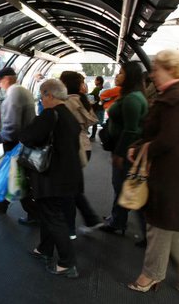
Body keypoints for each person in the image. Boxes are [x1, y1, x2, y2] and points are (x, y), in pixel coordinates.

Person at [127, 49, 179, 293]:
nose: (152, 75)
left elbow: (167, 138)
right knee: (166, 223)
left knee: (159, 221)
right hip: (173, 165)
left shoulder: (177, 97)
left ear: (170, 69)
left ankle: (151, 275)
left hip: (171, 167)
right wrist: (142, 146)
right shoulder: (178, 95)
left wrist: (142, 150)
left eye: (156, 69)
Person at [20, 79, 82, 279]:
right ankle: (44, 249)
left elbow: (29, 136)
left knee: (53, 216)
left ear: (50, 95)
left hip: (51, 176)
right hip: (68, 174)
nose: (41, 100)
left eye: (41, 95)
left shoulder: (49, 115)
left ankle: (67, 263)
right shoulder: (69, 115)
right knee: (49, 214)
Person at [100, 62, 148, 243]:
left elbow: (131, 130)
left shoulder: (132, 99)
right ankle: (117, 219)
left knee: (127, 188)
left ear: (130, 76)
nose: (117, 76)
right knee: (122, 186)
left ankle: (143, 231)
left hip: (127, 153)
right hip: (124, 150)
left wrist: (120, 153)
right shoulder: (130, 96)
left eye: (120, 73)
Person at [0, 67, 38, 225]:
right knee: (12, 175)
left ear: (6, 79)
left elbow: (11, 124)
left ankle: (33, 212)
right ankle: (0, 204)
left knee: (17, 177)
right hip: (24, 140)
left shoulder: (13, 94)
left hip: (15, 142)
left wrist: (2, 138)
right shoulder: (24, 90)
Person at [60, 71, 102, 237]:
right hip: (85, 147)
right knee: (74, 187)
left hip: (72, 148)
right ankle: (90, 218)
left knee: (68, 190)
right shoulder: (82, 100)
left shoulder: (67, 102)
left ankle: (70, 229)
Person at [89, 76, 105, 140]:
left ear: (98, 81)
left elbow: (91, 94)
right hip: (101, 107)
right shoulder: (102, 88)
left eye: (95, 80)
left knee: (95, 122)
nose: (94, 81)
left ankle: (93, 136)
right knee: (99, 121)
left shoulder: (97, 88)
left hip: (96, 107)